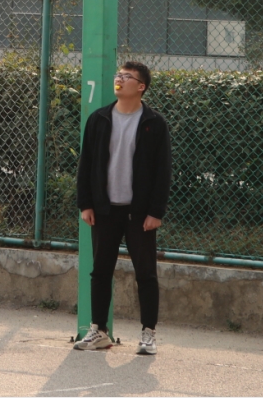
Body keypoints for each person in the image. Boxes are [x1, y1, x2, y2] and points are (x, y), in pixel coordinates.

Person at [72, 61, 172, 355]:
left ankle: (148, 334)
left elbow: (163, 171)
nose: (119, 78)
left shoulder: (154, 123)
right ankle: (99, 331)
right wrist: (86, 203)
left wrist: (156, 212)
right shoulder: (99, 119)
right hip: (105, 210)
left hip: (139, 213)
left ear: (141, 87)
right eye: (118, 74)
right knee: (100, 272)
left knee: (146, 274)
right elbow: (86, 164)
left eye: (126, 76)